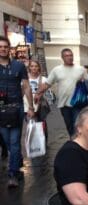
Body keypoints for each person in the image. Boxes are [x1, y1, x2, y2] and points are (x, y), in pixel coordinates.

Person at [0, 36, 34, 188]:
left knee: (14, 142)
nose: (3, 49)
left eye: (5, 46)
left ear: (9, 48)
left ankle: (13, 174)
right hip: (0, 110)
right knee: (7, 141)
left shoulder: (18, 66)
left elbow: (26, 86)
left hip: (16, 108)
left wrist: (31, 107)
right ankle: (17, 160)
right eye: (0, 47)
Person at [36, 48, 88, 137]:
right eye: (67, 56)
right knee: (69, 126)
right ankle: (73, 140)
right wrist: (38, 94)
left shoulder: (80, 69)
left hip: (78, 103)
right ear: (62, 57)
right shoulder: (56, 70)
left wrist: (84, 83)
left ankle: (76, 144)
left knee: (76, 125)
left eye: (71, 55)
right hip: (63, 104)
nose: (69, 57)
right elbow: (47, 84)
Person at [25, 60, 50, 138]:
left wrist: (40, 94)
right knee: (31, 124)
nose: (34, 68)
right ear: (29, 67)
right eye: (32, 66)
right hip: (27, 105)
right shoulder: (25, 78)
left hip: (40, 105)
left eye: (36, 66)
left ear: (39, 67)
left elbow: (48, 91)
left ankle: (43, 142)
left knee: (42, 124)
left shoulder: (43, 79)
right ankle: (33, 142)